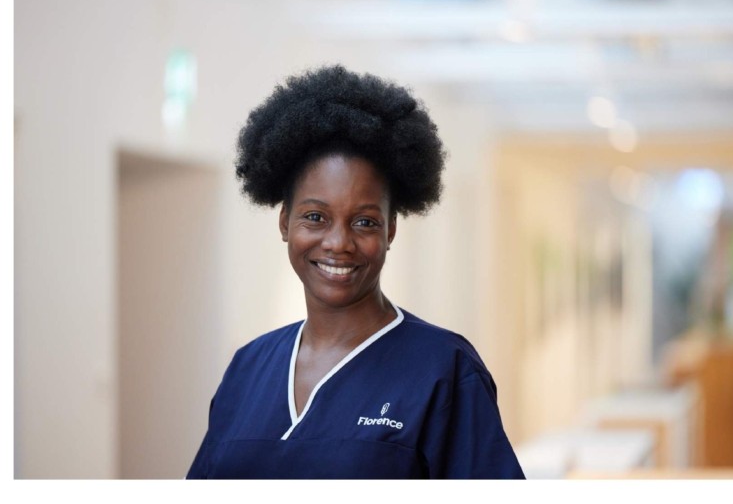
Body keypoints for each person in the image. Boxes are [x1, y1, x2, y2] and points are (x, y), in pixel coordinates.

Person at [186, 65, 525, 479]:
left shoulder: (443, 370)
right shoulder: (248, 368)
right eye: (315, 216)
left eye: (364, 222)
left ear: (391, 230)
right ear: (284, 222)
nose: (338, 242)